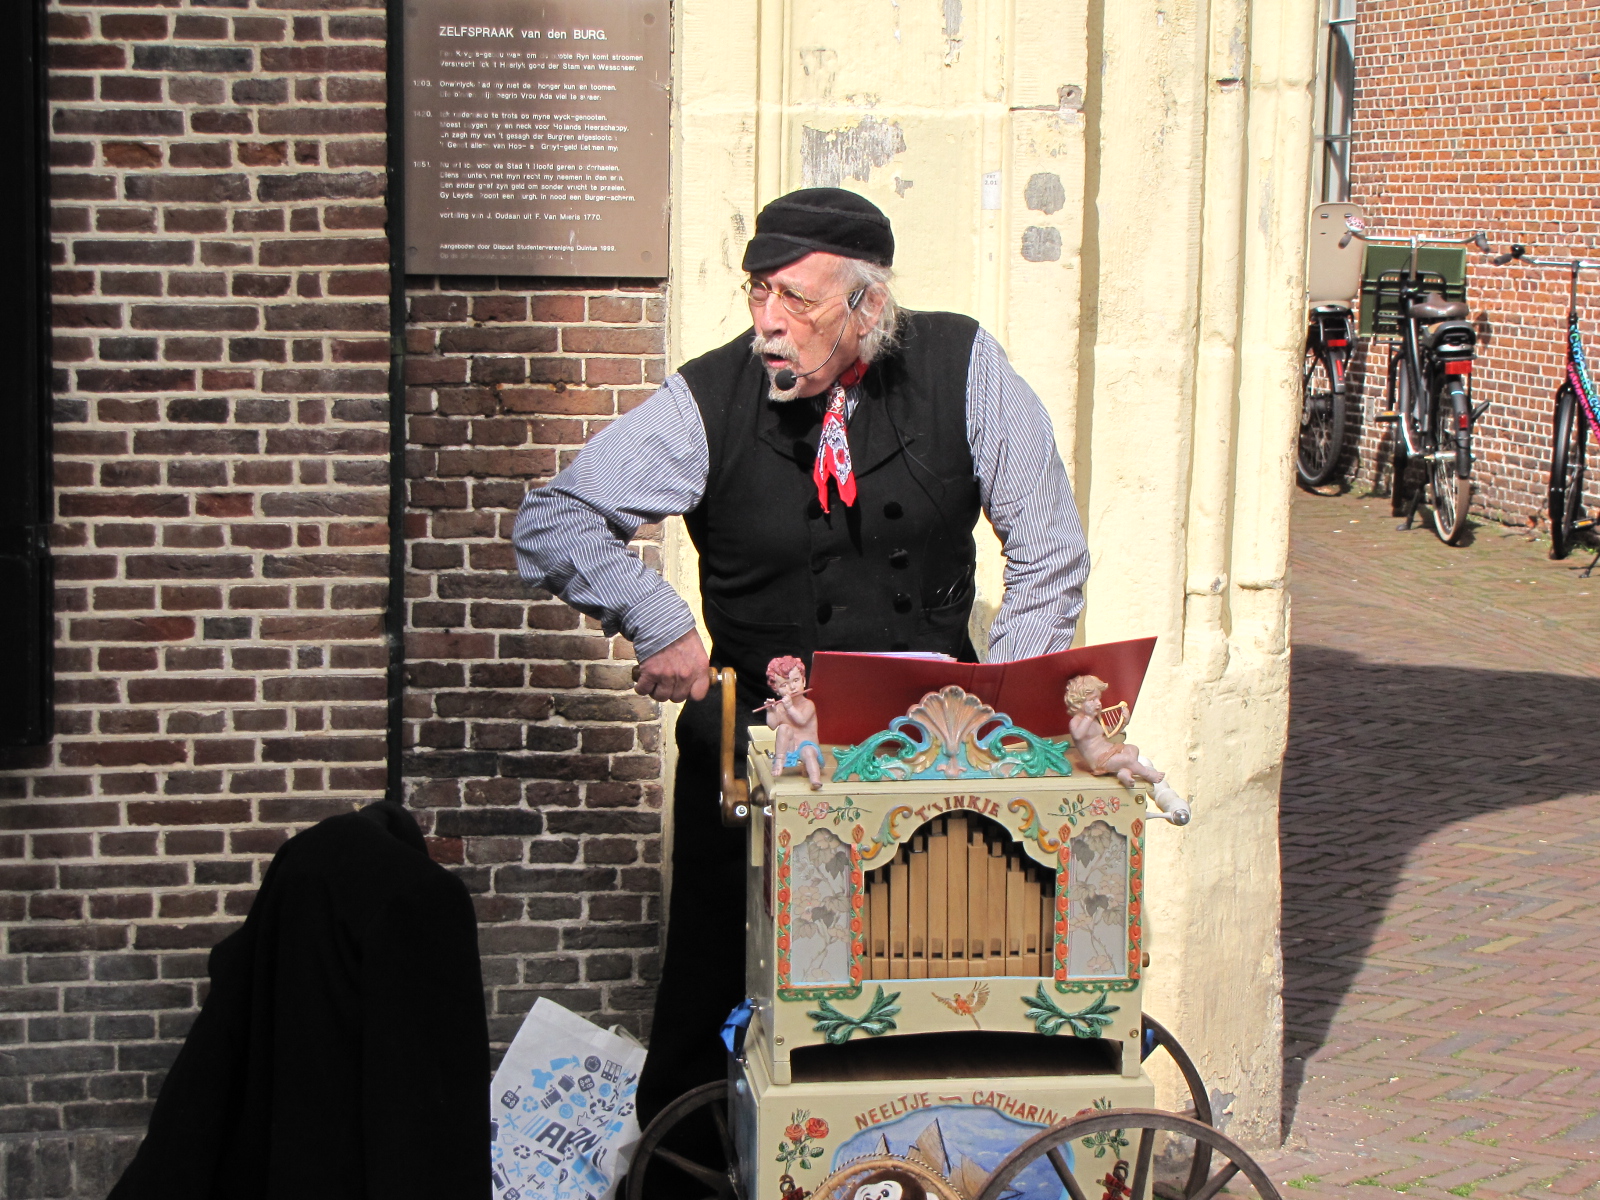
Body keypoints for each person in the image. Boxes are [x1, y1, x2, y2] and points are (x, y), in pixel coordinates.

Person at [513, 186, 1090, 1129]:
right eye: (757, 294)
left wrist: (1000, 717)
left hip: (927, 759)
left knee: (923, 1002)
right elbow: (555, 517)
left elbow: (1052, 549)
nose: (768, 325)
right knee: (714, 998)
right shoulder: (708, 399)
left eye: (797, 301)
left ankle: (921, 1160)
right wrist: (654, 616)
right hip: (751, 758)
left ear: (867, 304)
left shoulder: (964, 367)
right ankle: (695, 1173)